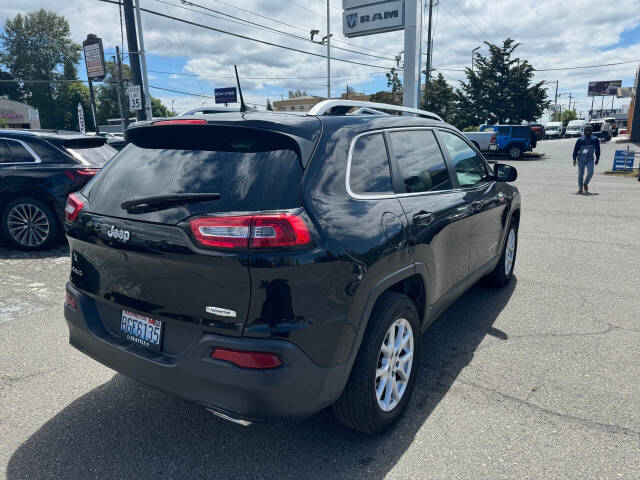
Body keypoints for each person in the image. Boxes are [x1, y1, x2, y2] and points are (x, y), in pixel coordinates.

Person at [572, 123, 600, 194]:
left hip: (590, 158)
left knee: (590, 172)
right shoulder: (580, 139)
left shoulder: (595, 139)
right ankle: (580, 188)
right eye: (586, 130)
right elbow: (575, 150)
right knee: (580, 174)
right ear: (584, 131)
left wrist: (597, 158)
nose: (588, 131)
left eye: (589, 130)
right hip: (581, 158)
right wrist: (574, 159)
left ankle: (585, 183)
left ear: (591, 131)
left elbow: (597, 150)